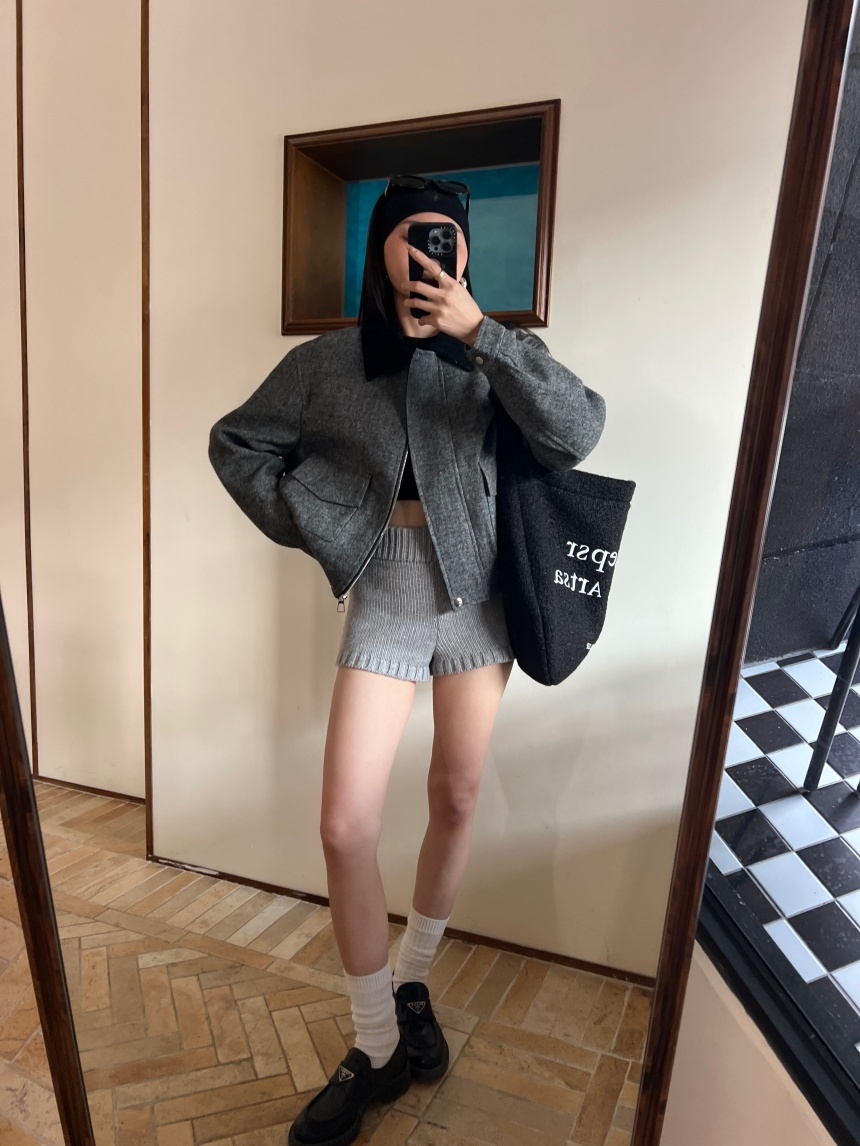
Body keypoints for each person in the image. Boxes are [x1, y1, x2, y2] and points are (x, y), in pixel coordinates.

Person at [208, 174, 606, 1146]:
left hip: (478, 597)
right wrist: (320, 518)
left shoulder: (498, 351)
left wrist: (483, 336)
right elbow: (237, 444)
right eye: (410, 233)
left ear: (464, 252)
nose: (429, 250)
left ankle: (414, 980)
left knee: (456, 797)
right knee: (344, 825)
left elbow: (578, 430)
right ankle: (376, 1038)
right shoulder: (327, 363)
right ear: (379, 249)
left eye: (445, 236)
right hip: (384, 594)